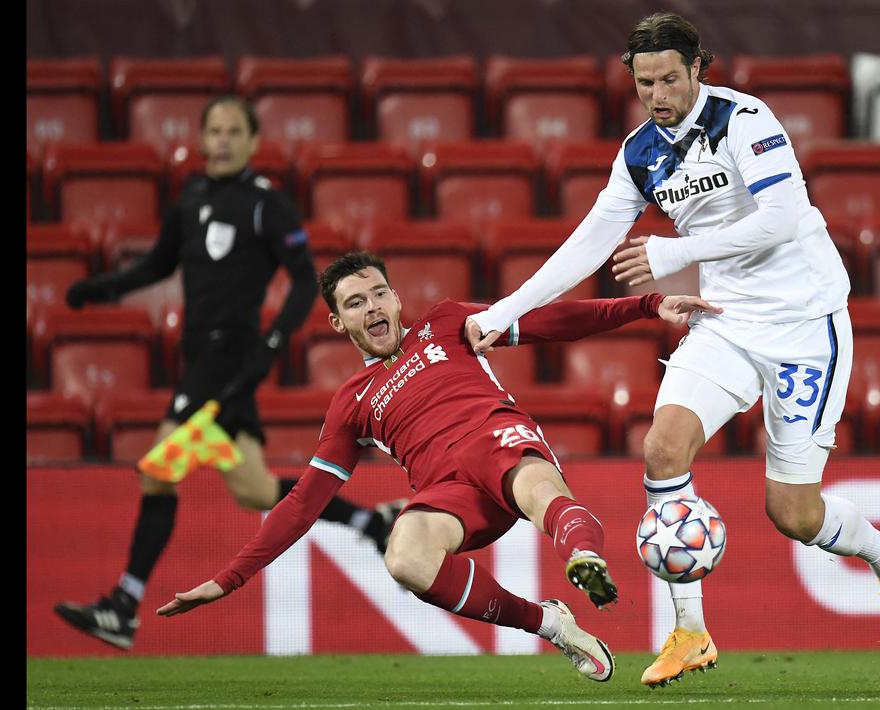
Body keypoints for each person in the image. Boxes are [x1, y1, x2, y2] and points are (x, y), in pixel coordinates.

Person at [464, 12, 880, 687]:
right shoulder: (638, 153)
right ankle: (690, 631)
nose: (657, 95)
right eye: (644, 83)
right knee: (661, 449)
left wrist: (676, 252)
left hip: (804, 325)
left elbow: (782, 218)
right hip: (726, 322)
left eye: (669, 80)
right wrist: (503, 312)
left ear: (697, 69)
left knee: (792, 514)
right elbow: (589, 242)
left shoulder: (744, 121)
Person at [155, 251, 722, 681]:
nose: (373, 307)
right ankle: (550, 623)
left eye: (379, 293)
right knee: (404, 558)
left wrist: (645, 306)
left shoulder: (447, 323)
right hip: (448, 492)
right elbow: (304, 501)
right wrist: (229, 579)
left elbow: (550, 321)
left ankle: (582, 557)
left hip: (497, 439)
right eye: (355, 303)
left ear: (397, 298)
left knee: (536, 488)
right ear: (338, 323)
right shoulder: (351, 403)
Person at [54, 96, 401, 651]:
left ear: (252, 141)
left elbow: (302, 280)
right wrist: (100, 290)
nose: (222, 140)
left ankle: (123, 606)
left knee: (157, 473)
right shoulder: (190, 199)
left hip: (226, 365)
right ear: (201, 138)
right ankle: (373, 525)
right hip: (201, 363)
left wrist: (270, 345)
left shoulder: (266, 205)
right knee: (255, 489)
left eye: (233, 131)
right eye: (214, 130)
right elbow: (158, 263)